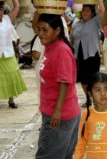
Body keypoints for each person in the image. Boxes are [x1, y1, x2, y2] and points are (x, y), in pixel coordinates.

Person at [35, 14, 81, 159]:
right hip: (56, 112)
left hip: (59, 116)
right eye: (39, 29)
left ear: (57, 30)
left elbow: (64, 81)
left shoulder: (60, 50)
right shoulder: (50, 45)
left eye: (45, 30)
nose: (40, 34)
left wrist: (57, 110)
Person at [0, 0, 27, 108]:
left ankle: (11, 100)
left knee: (11, 75)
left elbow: (17, 6)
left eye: (0, 10)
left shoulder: (7, 19)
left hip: (8, 53)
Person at [70, 4, 101, 107]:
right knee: (83, 80)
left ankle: (97, 99)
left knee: (94, 79)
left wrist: (99, 0)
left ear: (92, 13)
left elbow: (102, 11)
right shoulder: (76, 24)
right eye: (83, 10)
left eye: (87, 11)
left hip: (92, 54)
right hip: (80, 55)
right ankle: (88, 99)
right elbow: (72, 38)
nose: (85, 12)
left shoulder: (96, 21)